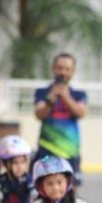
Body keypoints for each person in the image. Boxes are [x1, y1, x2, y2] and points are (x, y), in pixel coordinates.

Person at [33, 53, 88, 186]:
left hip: (70, 152)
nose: (62, 72)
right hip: (46, 151)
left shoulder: (79, 94)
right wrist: (51, 99)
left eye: (67, 69)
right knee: (43, 189)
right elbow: (39, 114)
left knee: (72, 189)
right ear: (53, 69)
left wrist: (66, 97)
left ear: (73, 72)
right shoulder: (42, 92)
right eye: (59, 68)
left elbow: (81, 113)